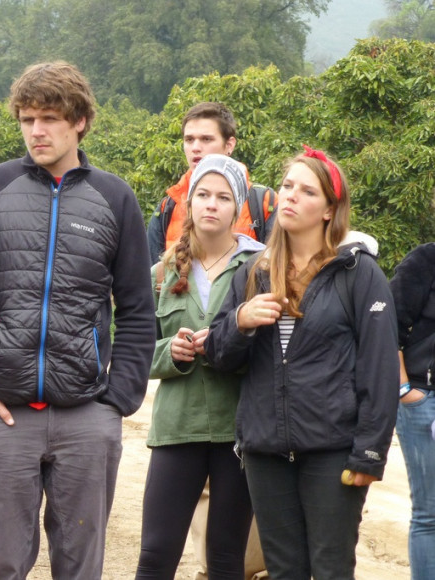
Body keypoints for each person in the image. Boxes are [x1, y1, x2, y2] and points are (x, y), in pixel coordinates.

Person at [0, 61, 155, 579]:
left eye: (51, 118)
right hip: (4, 414)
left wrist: (116, 402)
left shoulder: (115, 197)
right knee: (3, 567)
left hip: (87, 416)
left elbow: (139, 311)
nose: (37, 130)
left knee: (81, 569)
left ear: (80, 121)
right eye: (27, 118)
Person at [205, 146, 399, 579]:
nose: (290, 196)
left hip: (332, 451)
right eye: (287, 186)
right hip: (265, 451)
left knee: (330, 568)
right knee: (283, 570)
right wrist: (240, 320)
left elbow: (380, 371)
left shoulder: (359, 274)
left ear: (330, 209)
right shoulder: (254, 271)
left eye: (306, 190)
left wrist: (369, 454)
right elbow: (217, 354)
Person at [148, 101, 269, 580]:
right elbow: (137, 350)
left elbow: (272, 353)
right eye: (203, 195)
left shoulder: (261, 267)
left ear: (238, 205)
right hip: (176, 428)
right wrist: (170, 352)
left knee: (226, 561)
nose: (211, 205)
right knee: (156, 556)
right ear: (189, 203)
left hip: (236, 431)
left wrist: (228, 340)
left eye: (223, 197)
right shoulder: (162, 271)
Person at [146, 102, 276, 267]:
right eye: (189, 139)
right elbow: (151, 280)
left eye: (206, 139)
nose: (195, 148)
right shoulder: (168, 208)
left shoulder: (263, 203)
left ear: (229, 145)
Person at [390, 242, 435, 579]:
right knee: (430, 514)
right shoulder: (424, 260)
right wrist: (405, 389)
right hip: (425, 401)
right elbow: (385, 325)